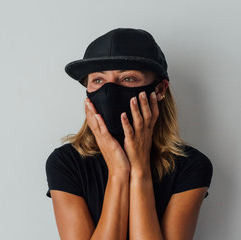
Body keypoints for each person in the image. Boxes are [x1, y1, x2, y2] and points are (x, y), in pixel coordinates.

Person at [45, 28, 213, 240]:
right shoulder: (66, 163)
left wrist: (140, 170)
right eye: (98, 80)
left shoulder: (191, 166)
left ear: (160, 89)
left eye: (128, 79)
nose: (109, 90)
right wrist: (118, 172)